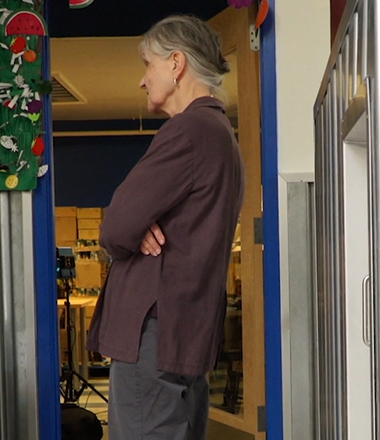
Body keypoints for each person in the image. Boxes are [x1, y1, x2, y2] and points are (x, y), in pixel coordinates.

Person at [86, 15, 244, 440]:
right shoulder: (221, 134)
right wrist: (139, 225)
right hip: (185, 331)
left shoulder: (188, 130)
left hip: (152, 331)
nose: (142, 81)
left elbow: (116, 226)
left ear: (176, 63)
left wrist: (131, 227)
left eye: (148, 65)